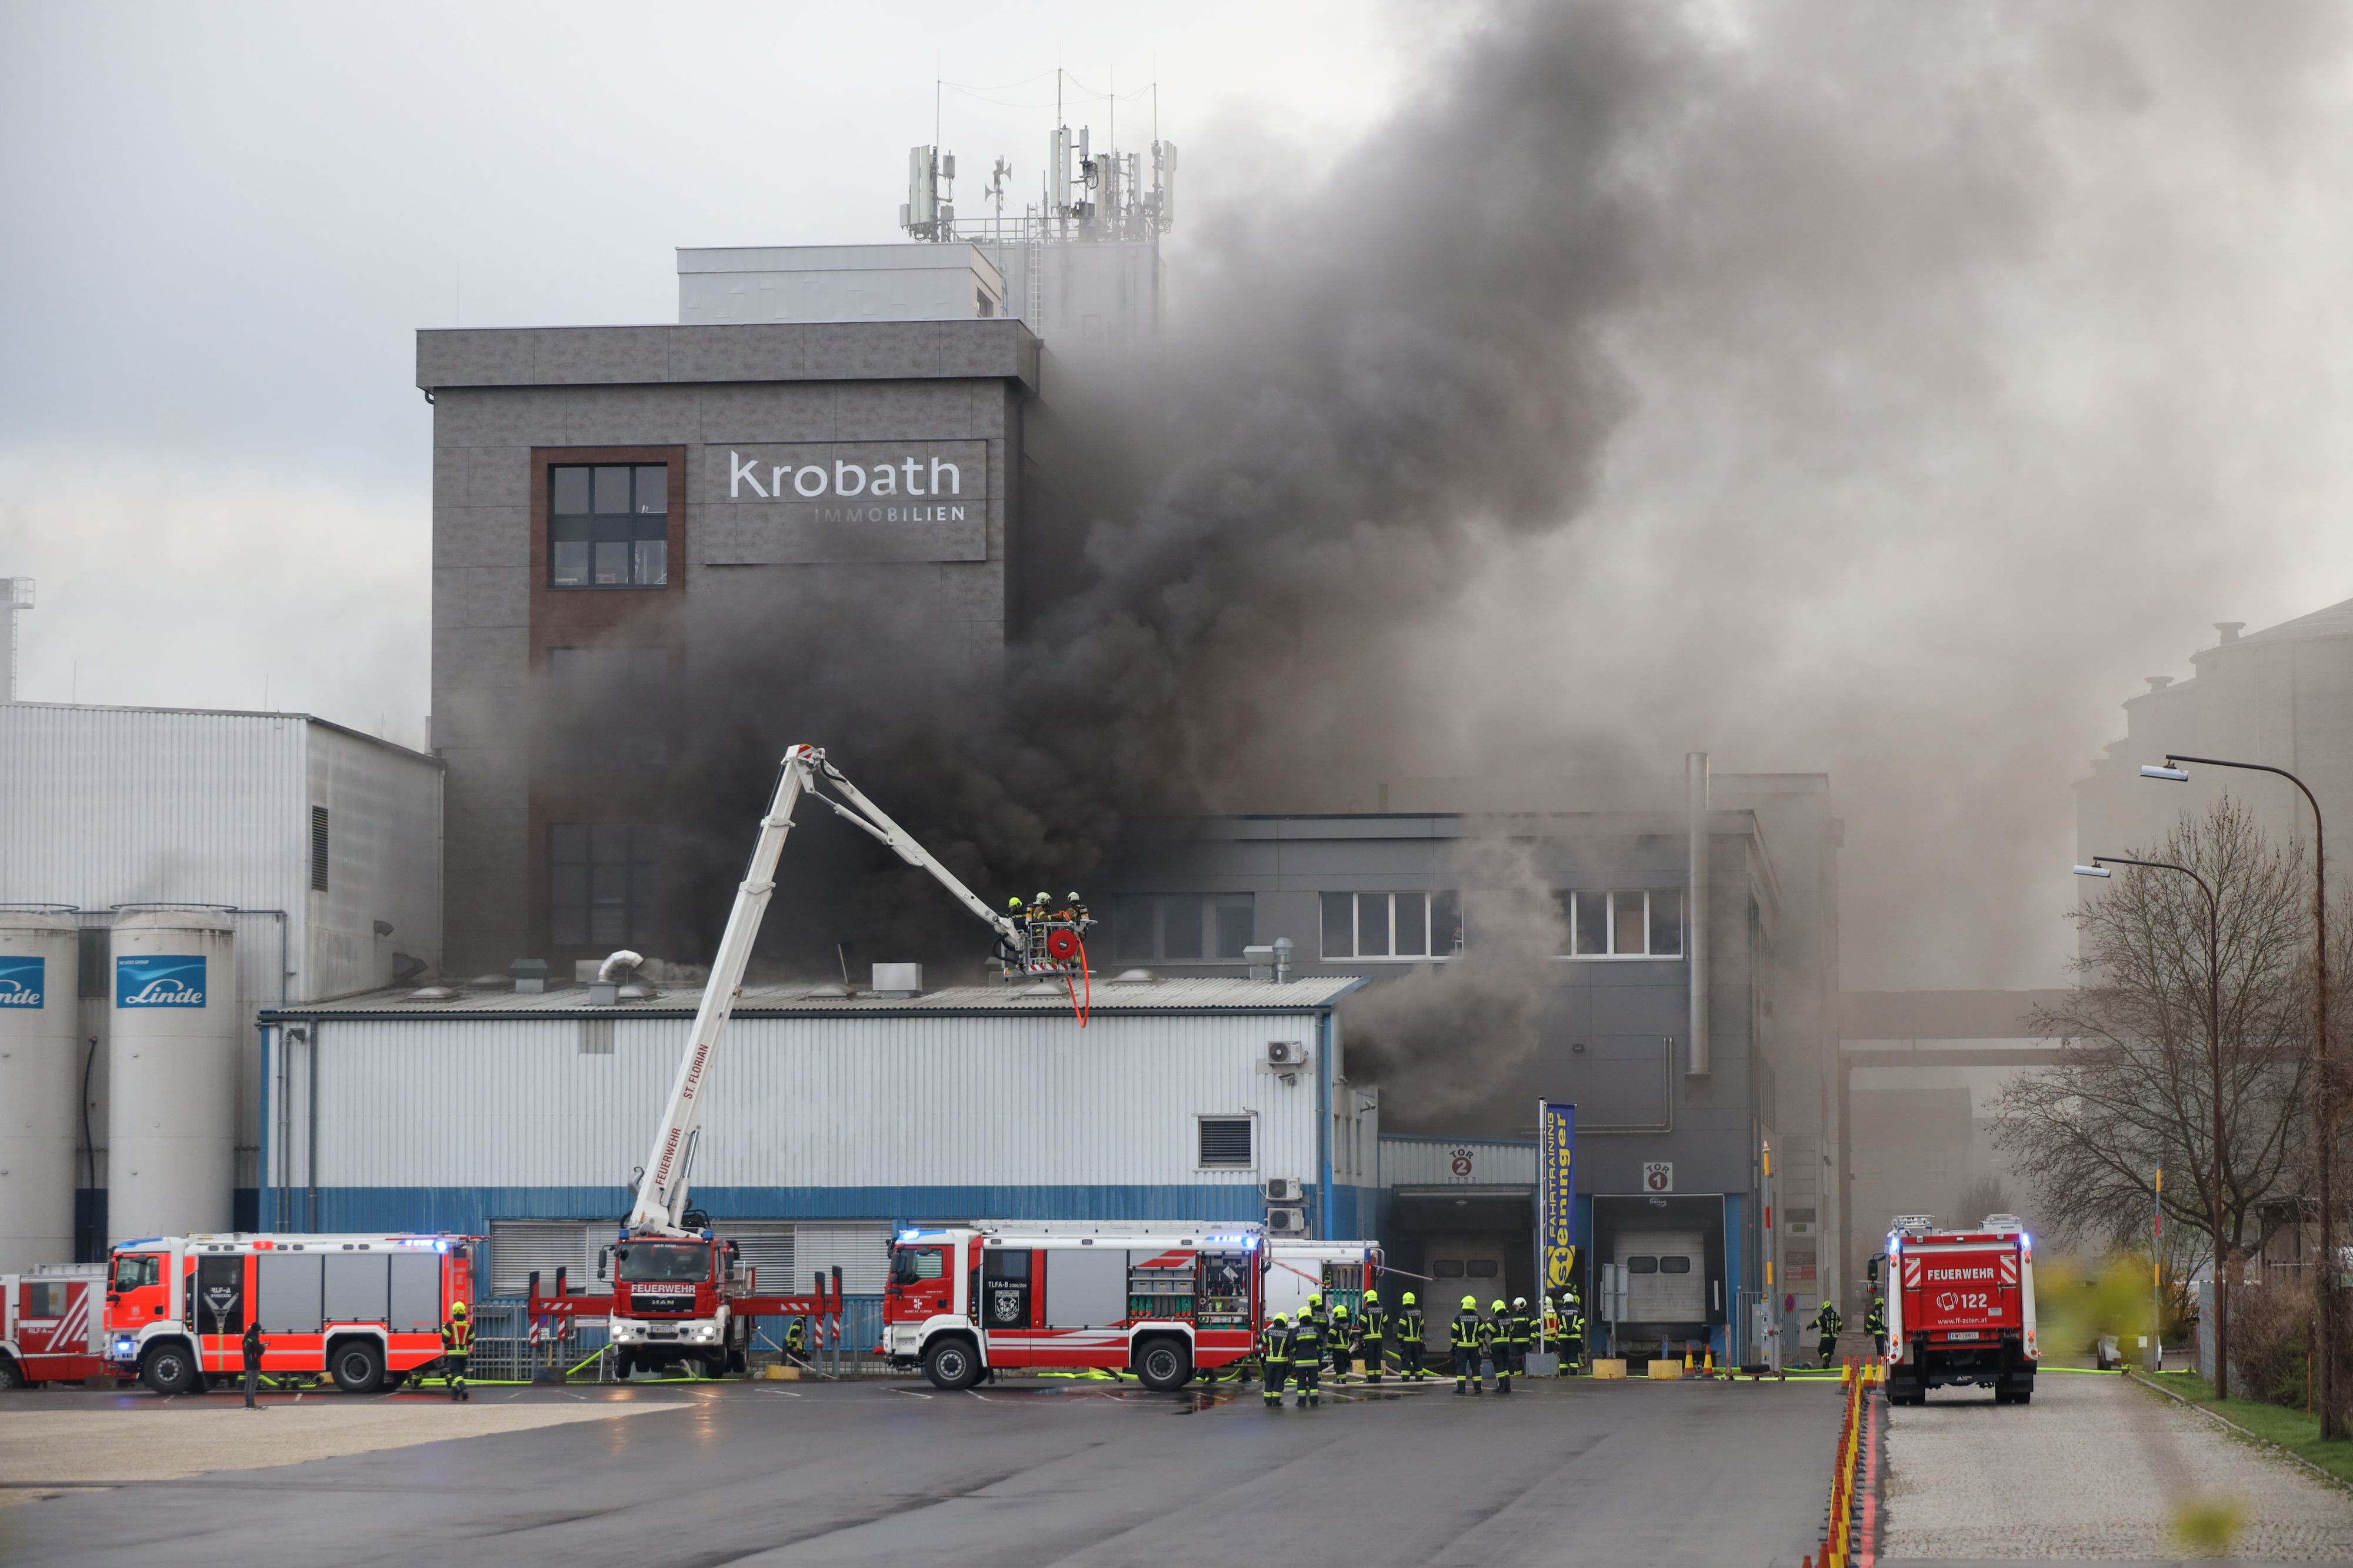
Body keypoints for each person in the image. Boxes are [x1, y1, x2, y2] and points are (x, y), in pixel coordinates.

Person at [1288, 1305, 1324, 1407]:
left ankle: (1302, 1402)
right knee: (1313, 1382)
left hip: (1300, 1362)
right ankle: (1314, 1401)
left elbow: (1291, 1346)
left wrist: (1297, 1352)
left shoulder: (1296, 1330)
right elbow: (1321, 1344)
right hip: (1313, 1361)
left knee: (1301, 1382)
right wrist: (1314, 1350)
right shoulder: (1315, 1329)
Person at [1451, 1295, 1484, 1396]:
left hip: (1461, 1348)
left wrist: (1454, 1345)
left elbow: (1454, 1332)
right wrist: (1480, 1344)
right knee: (1476, 1368)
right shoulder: (1478, 1318)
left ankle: (1461, 1389)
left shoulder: (1458, 1318)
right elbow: (1482, 1332)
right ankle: (1478, 1389)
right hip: (1474, 1347)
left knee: (1461, 1368)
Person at [442, 1300, 474, 1402]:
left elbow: (445, 1338)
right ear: (464, 1311)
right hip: (464, 1353)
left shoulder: (450, 1324)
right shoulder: (469, 1324)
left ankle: (464, 1389)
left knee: (455, 1373)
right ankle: (455, 1395)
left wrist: (447, 1346)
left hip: (453, 1353)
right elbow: (472, 1338)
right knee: (460, 1373)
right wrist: (465, 1345)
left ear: (454, 1312)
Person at [1261, 1312, 1294, 1409]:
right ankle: (1276, 1401)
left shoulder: (1269, 1331)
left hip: (1270, 1361)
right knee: (1279, 1381)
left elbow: (1264, 1341)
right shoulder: (1288, 1333)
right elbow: (1291, 1346)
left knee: (1269, 1380)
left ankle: (1268, 1400)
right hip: (1282, 1362)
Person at [1361, 1289, 1389, 1384]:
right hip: (1379, 1338)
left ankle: (1371, 1380)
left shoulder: (1366, 1311)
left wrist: (1363, 1332)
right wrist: (1379, 1330)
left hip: (1369, 1339)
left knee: (1370, 1360)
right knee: (1377, 1359)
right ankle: (1378, 1380)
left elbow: (1362, 1325)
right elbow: (1386, 1323)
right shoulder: (1382, 1310)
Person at [1399, 1291, 1427, 1382]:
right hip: (1417, 1342)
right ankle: (1419, 1378)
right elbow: (1422, 1327)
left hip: (1407, 1342)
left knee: (1406, 1361)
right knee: (1418, 1361)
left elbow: (1402, 1329)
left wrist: (1399, 1339)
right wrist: (1421, 1339)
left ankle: (1405, 1380)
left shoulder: (1404, 1314)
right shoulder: (1419, 1312)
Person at [241, 1318, 269, 1409]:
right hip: (254, 1364)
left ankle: (248, 1403)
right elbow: (259, 1352)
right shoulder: (255, 1339)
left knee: (248, 1384)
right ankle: (252, 1404)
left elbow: (251, 1349)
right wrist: (264, 1346)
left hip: (248, 1363)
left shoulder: (246, 1339)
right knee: (253, 1385)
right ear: (257, 1331)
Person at [1809, 1297, 1843, 1369]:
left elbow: (1815, 1324)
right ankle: (1827, 1366)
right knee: (1830, 1351)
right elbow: (1840, 1327)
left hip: (1825, 1338)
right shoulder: (1837, 1317)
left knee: (1821, 1350)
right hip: (1834, 1338)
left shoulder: (1823, 1317)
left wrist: (1810, 1326)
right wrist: (1836, 1333)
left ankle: (1826, 1358)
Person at [1507, 1296, 1534, 1383]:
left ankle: (1530, 1375)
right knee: (1516, 1360)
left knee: (1528, 1360)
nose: (1515, 1308)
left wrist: (1532, 1338)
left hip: (1526, 1343)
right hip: (1515, 1343)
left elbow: (1534, 1328)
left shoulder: (1530, 1316)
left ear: (1521, 1305)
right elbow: (1511, 1328)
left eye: (1516, 1306)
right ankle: (1518, 1376)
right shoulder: (1514, 1316)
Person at [1488, 1300, 1512, 1394]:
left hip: (1496, 1345)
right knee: (1505, 1366)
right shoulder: (1509, 1318)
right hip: (1506, 1344)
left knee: (1499, 1367)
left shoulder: (1494, 1320)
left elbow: (1490, 1330)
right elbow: (1512, 1329)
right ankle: (1508, 1386)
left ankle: (1500, 1387)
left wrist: (1488, 1322)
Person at [1328, 1302, 1355, 1386]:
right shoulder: (1348, 1325)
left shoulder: (1334, 1327)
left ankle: (1341, 1382)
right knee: (1343, 1366)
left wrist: (1328, 1349)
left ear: (1337, 1314)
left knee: (1338, 1367)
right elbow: (1351, 1336)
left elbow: (1331, 1339)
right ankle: (1342, 1381)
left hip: (1337, 1350)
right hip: (1346, 1350)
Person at [1867, 1293, 1888, 1357]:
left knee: (1880, 1349)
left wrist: (1867, 1330)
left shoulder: (1875, 1311)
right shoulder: (1887, 1309)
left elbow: (1871, 1321)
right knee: (1888, 1348)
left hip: (1878, 1333)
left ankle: (1881, 1362)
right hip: (1887, 1333)